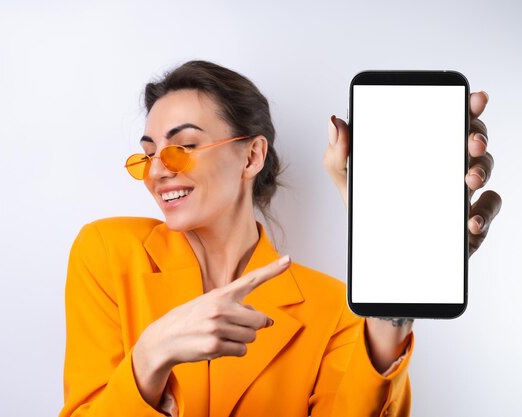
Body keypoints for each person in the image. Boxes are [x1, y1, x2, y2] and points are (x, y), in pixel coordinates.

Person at [59, 61, 501, 417]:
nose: (157, 171)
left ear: (252, 155)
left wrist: (394, 297)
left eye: (182, 147)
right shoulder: (107, 253)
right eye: (149, 153)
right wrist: (151, 356)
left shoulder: (336, 310)